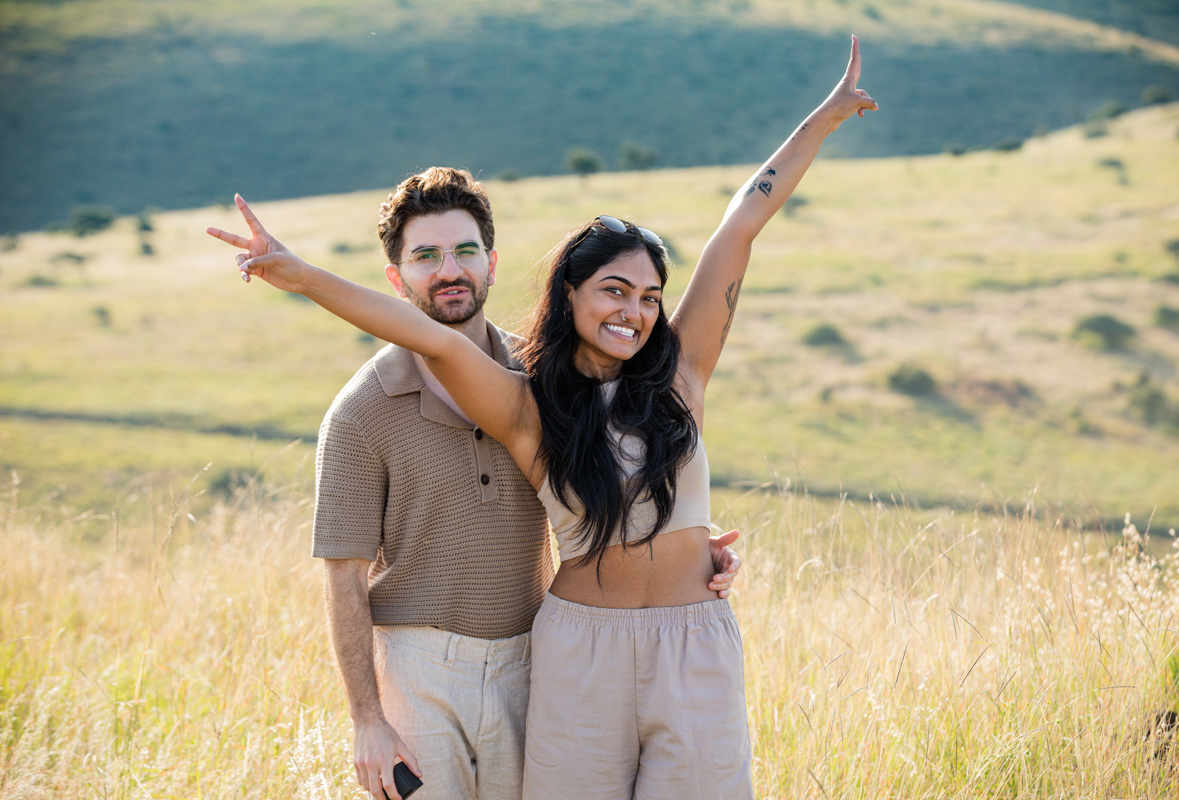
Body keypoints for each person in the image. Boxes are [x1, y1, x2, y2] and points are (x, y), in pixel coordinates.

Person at [214, 36, 875, 799]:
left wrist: (823, 120)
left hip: (694, 646)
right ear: (571, 295)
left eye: (650, 296)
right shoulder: (530, 409)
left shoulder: (683, 377)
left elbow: (740, 225)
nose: (634, 311)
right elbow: (425, 335)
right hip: (577, 653)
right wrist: (296, 274)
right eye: (613, 291)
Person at [207, 167, 742, 800]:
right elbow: (343, 578)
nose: (448, 270)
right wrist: (367, 721)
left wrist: (680, 552)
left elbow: (619, 474)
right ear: (396, 276)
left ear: (491, 262)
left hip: (535, 660)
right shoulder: (361, 413)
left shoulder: (547, 385)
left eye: (463, 251)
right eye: (425, 256)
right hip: (421, 671)